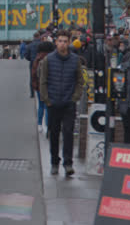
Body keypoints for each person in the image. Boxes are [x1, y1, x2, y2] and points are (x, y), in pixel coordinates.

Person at [40, 29, 84, 176]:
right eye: (60, 41)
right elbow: (43, 81)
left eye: (65, 41)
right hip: (53, 103)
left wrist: (75, 97)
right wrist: (47, 99)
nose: (62, 44)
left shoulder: (75, 60)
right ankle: (54, 162)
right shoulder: (48, 59)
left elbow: (80, 81)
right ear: (56, 42)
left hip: (68, 103)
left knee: (68, 133)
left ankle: (68, 163)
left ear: (69, 42)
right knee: (54, 134)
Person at [32, 40, 55, 134]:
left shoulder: (37, 59)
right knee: (47, 106)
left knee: (41, 106)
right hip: (49, 86)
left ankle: (39, 125)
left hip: (39, 86)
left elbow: (33, 74)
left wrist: (35, 85)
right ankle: (47, 126)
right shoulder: (51, 58)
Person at [25, 32, 41, 98]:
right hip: (41, 63)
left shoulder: (29, 45)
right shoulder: (42, 44)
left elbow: (26, 55)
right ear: (39, 36)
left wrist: (31, 59)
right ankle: (40, 92)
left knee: (32, 78)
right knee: (41, 78)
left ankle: (32, 94)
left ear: (33, 37)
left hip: (32, 63)